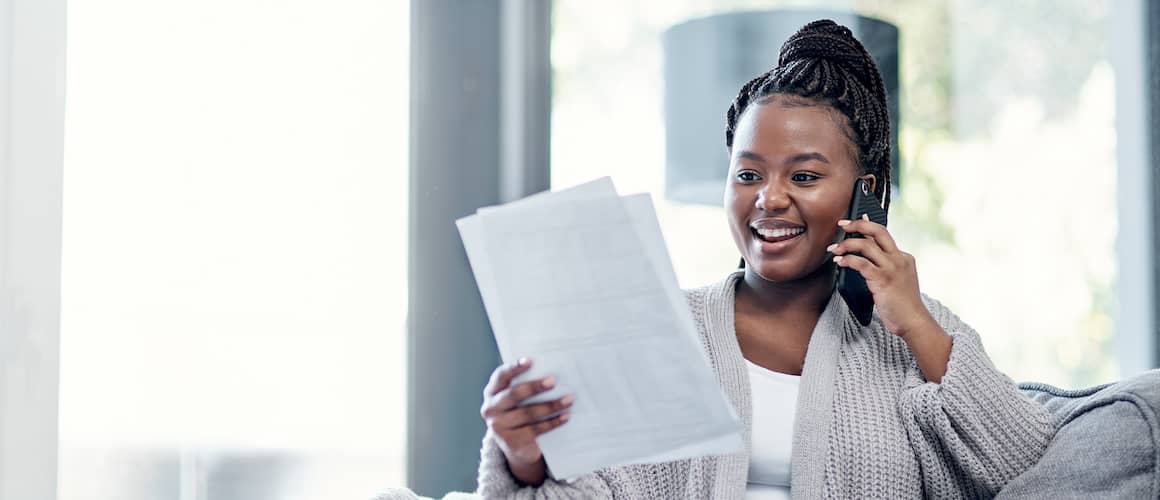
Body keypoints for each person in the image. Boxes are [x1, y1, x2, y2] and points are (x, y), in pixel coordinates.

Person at [474, 19, 1055, 499]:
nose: (768, 198)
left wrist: (916, 327)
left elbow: (1032, 469)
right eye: (748, 174)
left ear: (867, 193)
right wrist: (525, 459)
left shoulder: (915, 333)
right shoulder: (663, 328)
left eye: (803, 176)